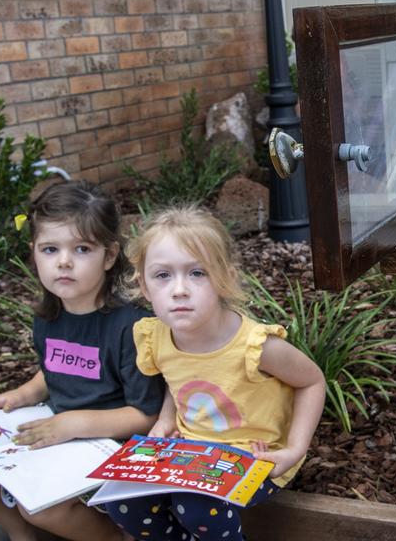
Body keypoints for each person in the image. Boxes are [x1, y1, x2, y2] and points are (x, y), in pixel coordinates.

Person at [0, 180, 163, 541]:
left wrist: (72, 424)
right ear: (34, 253)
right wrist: (23, 394)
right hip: (59, 425)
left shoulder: (130, 327)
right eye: (49, 249)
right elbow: (56, 365)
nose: (63, 261)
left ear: (108, 256)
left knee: (42, 506)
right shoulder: (50, 316)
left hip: (110, 440)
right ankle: (20, 534)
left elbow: (146, 414)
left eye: (81, 249)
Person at [106, 205, 327, 541]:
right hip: (189, 451)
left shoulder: (254, 345)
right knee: (123, 502)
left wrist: (294, 449)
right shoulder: (159, 335)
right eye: (163, 275)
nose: (179, 289)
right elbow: (174, 379)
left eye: (197, 273)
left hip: (257, 455)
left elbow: (311, 381)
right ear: (145, 286)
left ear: (224, 277)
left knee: (194, 506)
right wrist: (166, 420)